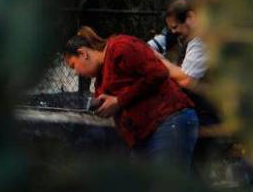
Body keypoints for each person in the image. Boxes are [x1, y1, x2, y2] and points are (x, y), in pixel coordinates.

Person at [64, 26, 199, 169]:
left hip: (168, 121)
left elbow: (158, 73)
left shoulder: (121, 47)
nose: (76, 73)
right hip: (145, 135)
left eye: (73, 66)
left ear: (83, 53)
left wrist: (119, 101)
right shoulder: (100, 77)